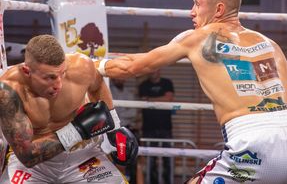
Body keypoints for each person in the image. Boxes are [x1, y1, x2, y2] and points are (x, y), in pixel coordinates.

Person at [97, 0, 287, 183]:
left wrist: (93, 65)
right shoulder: (270, 44)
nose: (191, 11)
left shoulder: (197, 37)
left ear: (219, 9)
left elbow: (133, 66)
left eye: (197, 3)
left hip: (254, 145)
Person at [0, 34, 138, 183]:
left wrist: (114, 128)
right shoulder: (8, 91)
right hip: (33, 167)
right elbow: (27, 155)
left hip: (83, 157)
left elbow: (97, 86)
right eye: (50, 77)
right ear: (27, 71)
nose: (58, 84)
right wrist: (78, 130)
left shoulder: (81, 66)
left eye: (62, 74)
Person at [138, 69, 174, 184]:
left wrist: (150, 100)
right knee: (150, 160)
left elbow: (168, 99)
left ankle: (168, 182)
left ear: (159, 71)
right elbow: (143, 101)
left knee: (167, 158)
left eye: (156, 69)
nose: (153, 72)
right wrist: (160, 99)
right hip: (149, 127)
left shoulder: (167, 83)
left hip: (165, 127)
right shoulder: (143, 85)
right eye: (151, 69)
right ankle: (151, 182)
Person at [110, 78, 141, 184]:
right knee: (115, 162)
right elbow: (110, 113)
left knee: (132, 163)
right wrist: (120, 114)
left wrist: (119, 114)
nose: (120, 79)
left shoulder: (128, 93)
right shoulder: (108, 91)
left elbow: (133, 113)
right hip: (113, 133)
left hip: (127, 131)